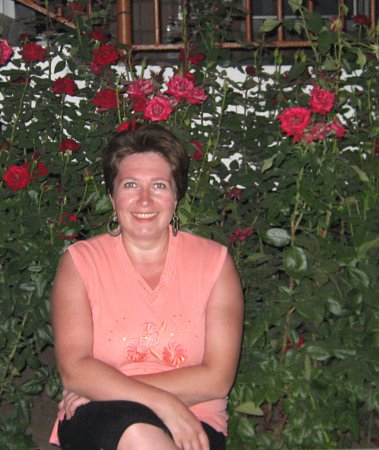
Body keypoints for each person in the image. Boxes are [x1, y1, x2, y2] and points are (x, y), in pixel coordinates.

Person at [49, 124, 244, 450]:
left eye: (158, 185)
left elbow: (217, 378)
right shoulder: (80, 263)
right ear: (112, 196)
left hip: (194, 419)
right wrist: (163, 403)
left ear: (176, 196)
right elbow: (75, 370)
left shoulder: (215, 263)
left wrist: (110, 388)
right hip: (100, 414)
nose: (144, 199)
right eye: (130, 185)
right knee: (138, 434)